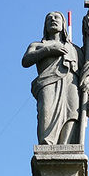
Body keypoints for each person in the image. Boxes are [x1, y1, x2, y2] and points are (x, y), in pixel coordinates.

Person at [22, 12, 83, 145]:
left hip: (70, 83)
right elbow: (25, 61)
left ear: (63, 25)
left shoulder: (74, 49)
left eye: (57, 18)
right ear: (45, 25)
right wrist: (48, 50)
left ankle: (66, 144)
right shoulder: (37, 45)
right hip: (48, 82)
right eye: (49, 18)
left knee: (72, 112)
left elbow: (87, 71)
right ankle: (47, 144)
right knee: (46, 111)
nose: (53, 20)